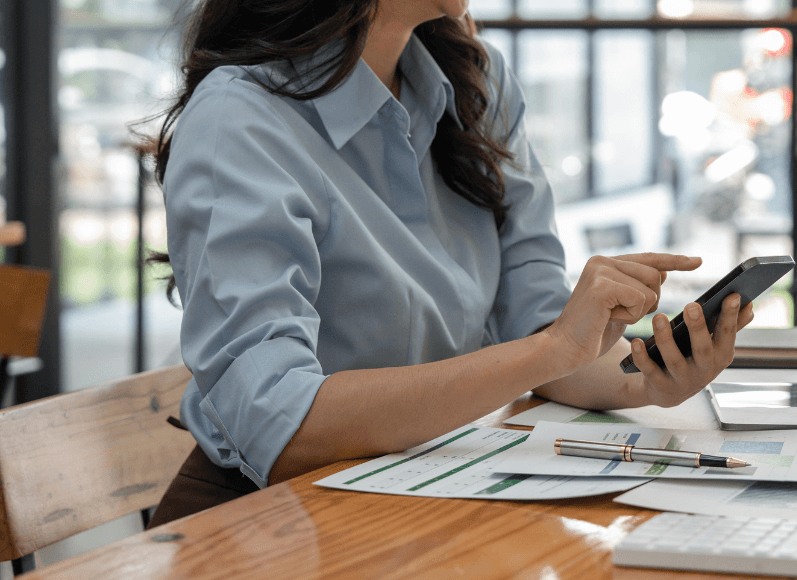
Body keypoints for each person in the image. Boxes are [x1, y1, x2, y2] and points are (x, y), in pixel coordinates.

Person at [147, 0, 754, 526]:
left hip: (426, 487)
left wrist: (646, 380)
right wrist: (552, 349)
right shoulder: (241, 117)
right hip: (265, 517)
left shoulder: (477, 84)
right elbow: (281, 427)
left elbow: (540, 340)